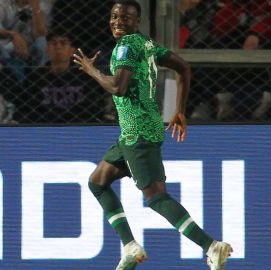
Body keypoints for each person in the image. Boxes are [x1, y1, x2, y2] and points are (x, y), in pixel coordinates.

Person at [72, 1, 233, 270]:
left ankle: (211, 246)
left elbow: (118, 87)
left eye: (126, 17)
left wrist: (92, 70)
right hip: (137, 130)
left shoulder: (125, 47)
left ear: (137, 21)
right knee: (98, 181)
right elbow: (183, 67)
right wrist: (179, 111)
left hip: (137, 133)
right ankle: (130, 247)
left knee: (157, 197)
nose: (118, 21)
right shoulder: (147, 44)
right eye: (114, 16)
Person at [18, 28, 104, 123]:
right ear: (47, 50)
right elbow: (29, 109)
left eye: (63, 43)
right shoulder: (35, 78)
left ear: (72, 51)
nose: (58, 47)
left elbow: (92, 108)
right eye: (54, 43)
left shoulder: (85, 77)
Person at [0, 0, 48, 82]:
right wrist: (13, 35)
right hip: (5, 46)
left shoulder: (41, 6)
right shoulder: (3, 3)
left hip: (29, 47)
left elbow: (40, 33)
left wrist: (35, 8)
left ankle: (39, 78)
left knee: (41, 42)